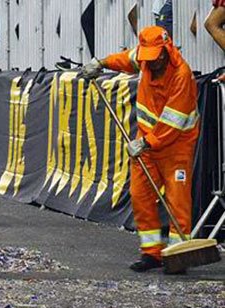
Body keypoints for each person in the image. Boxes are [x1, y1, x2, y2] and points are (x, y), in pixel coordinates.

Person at [80, 26, 199, 272]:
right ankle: (151, 253)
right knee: (140, 196)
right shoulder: (145, 59)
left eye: (155, 58)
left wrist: (145, 143)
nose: (151, 64)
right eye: (147, 58)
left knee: (177, 201)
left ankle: (177, 257)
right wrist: (100, 63)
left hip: (176, 147)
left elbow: (172, 123)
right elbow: (125, 59)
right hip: (145, 143)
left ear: (166, 51)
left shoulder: (182, 76)